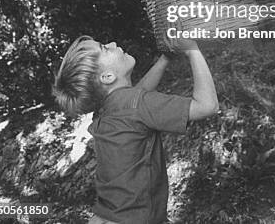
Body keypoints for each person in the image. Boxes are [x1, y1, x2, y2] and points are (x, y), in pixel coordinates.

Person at [53, 36, 218, 224]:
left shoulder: (105, 111)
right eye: (105, 48)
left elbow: (138, 94)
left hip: (104, 217)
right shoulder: (137, 106)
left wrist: (165, 59)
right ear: (107, 77)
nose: (113, 43)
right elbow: (207, 105)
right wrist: (192, 50)